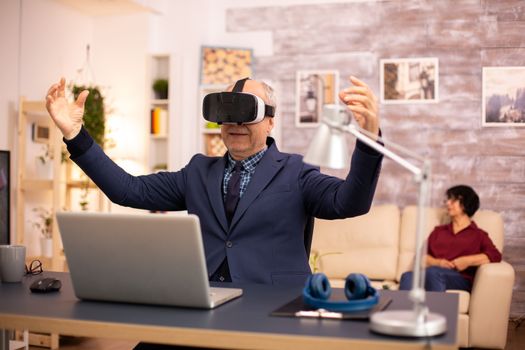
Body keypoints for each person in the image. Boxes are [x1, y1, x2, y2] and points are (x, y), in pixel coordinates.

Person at [45, 76, 383, 285]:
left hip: (271, 307)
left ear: (270, 123)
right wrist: (75, 134)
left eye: (246, 112)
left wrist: (368, 137)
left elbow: (349, 202)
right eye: (226, 113)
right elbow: (127, 190)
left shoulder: (297, 171)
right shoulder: (197, 172)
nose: (235, 122)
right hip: (204, 299)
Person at [399, 185, 502, 292]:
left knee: (433, 273)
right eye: (448, 200)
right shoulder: (438, 231)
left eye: (453, 200)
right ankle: (404, 309)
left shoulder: (478, 235)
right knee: (407, 276)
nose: (448, 203)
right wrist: (438, 262)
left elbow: (495, 255)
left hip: (460, 278)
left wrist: (467, 261)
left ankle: (436, 309)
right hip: (432, 272)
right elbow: (421, 258)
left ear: (465, 203)